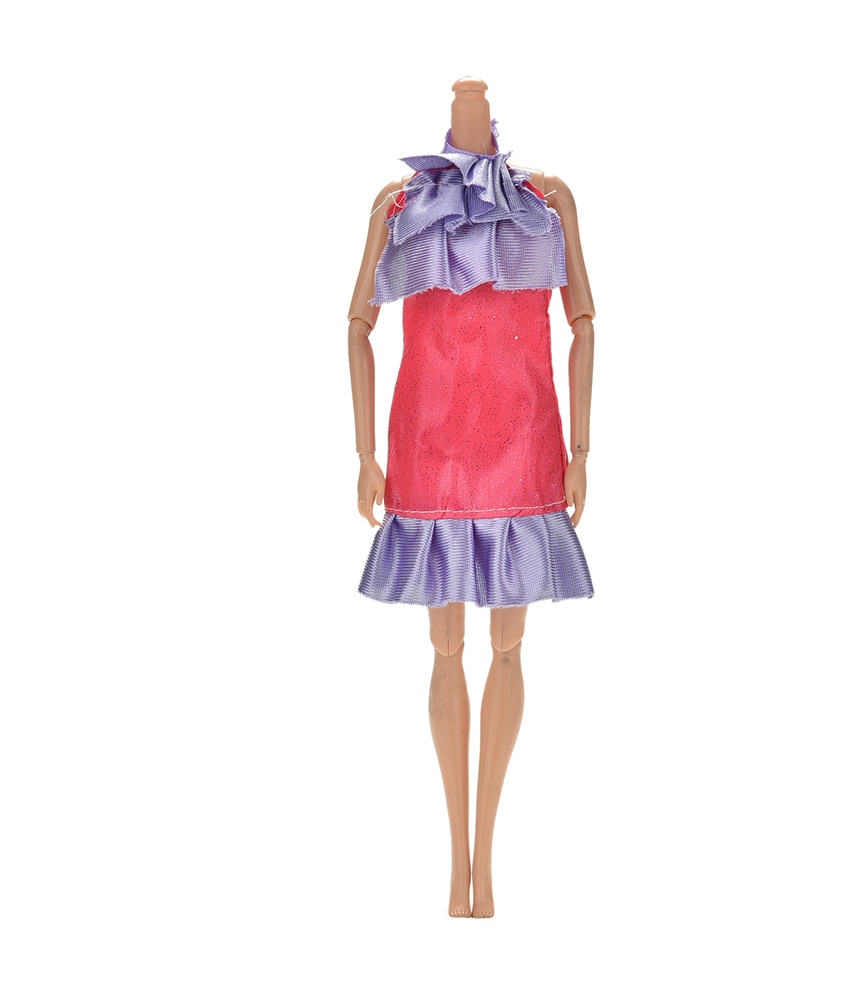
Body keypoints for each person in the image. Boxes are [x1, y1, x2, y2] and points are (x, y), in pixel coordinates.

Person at [347, 78, 596, 917]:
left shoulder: (546, 202)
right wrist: (364, 454)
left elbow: (584, 323)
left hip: (522, 441)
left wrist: (582, 451)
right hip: (428, 444)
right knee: (446, 649)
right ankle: (458, 867)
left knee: (508, 648)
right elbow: (357, 325)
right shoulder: (400, 205)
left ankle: (484, 866)